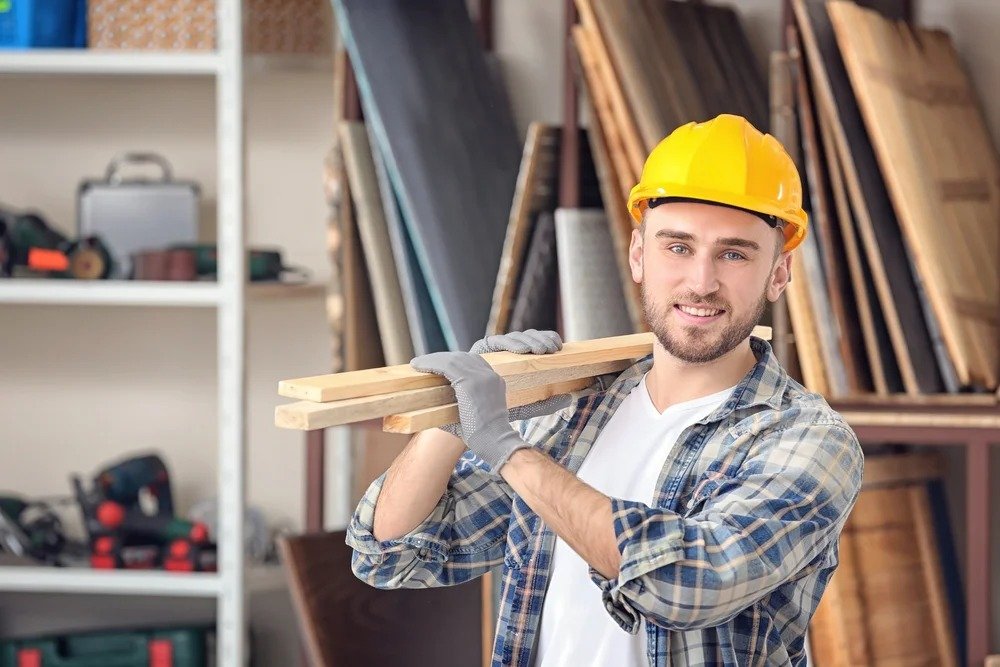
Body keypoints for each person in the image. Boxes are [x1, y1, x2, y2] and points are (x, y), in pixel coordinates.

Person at [346, 114, 863, 666]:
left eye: (734, 253)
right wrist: (453, 420)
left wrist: (504, 446)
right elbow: (392, 555)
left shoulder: (808, 441)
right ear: (639, 255)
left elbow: (688, 583)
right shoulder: (574, 416)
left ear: (779, 273)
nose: (701, 281)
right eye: (678, 247)